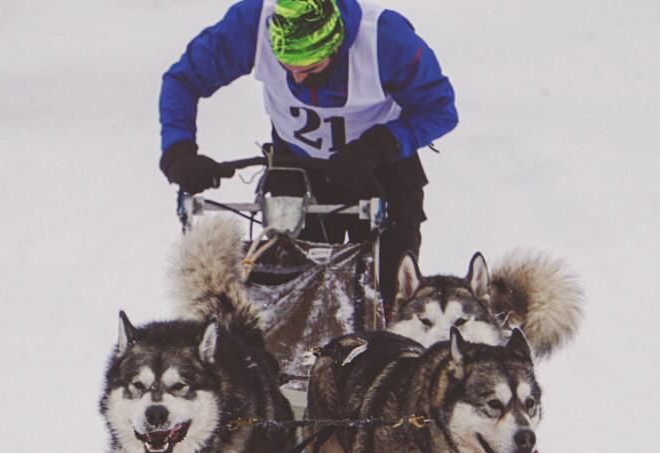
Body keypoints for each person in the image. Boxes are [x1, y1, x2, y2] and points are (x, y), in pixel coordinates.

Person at [159, 0, 458, 309]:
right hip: (297, 165)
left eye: (311, 68)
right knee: (288, 296)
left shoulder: (386, 39)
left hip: (381, 166)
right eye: (287, 67)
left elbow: (440, 109)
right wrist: (178, 149)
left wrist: (379, 145)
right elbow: (182, 79)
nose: (298, 78)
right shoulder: (252, 24)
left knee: (391, 294)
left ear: (337, 46)